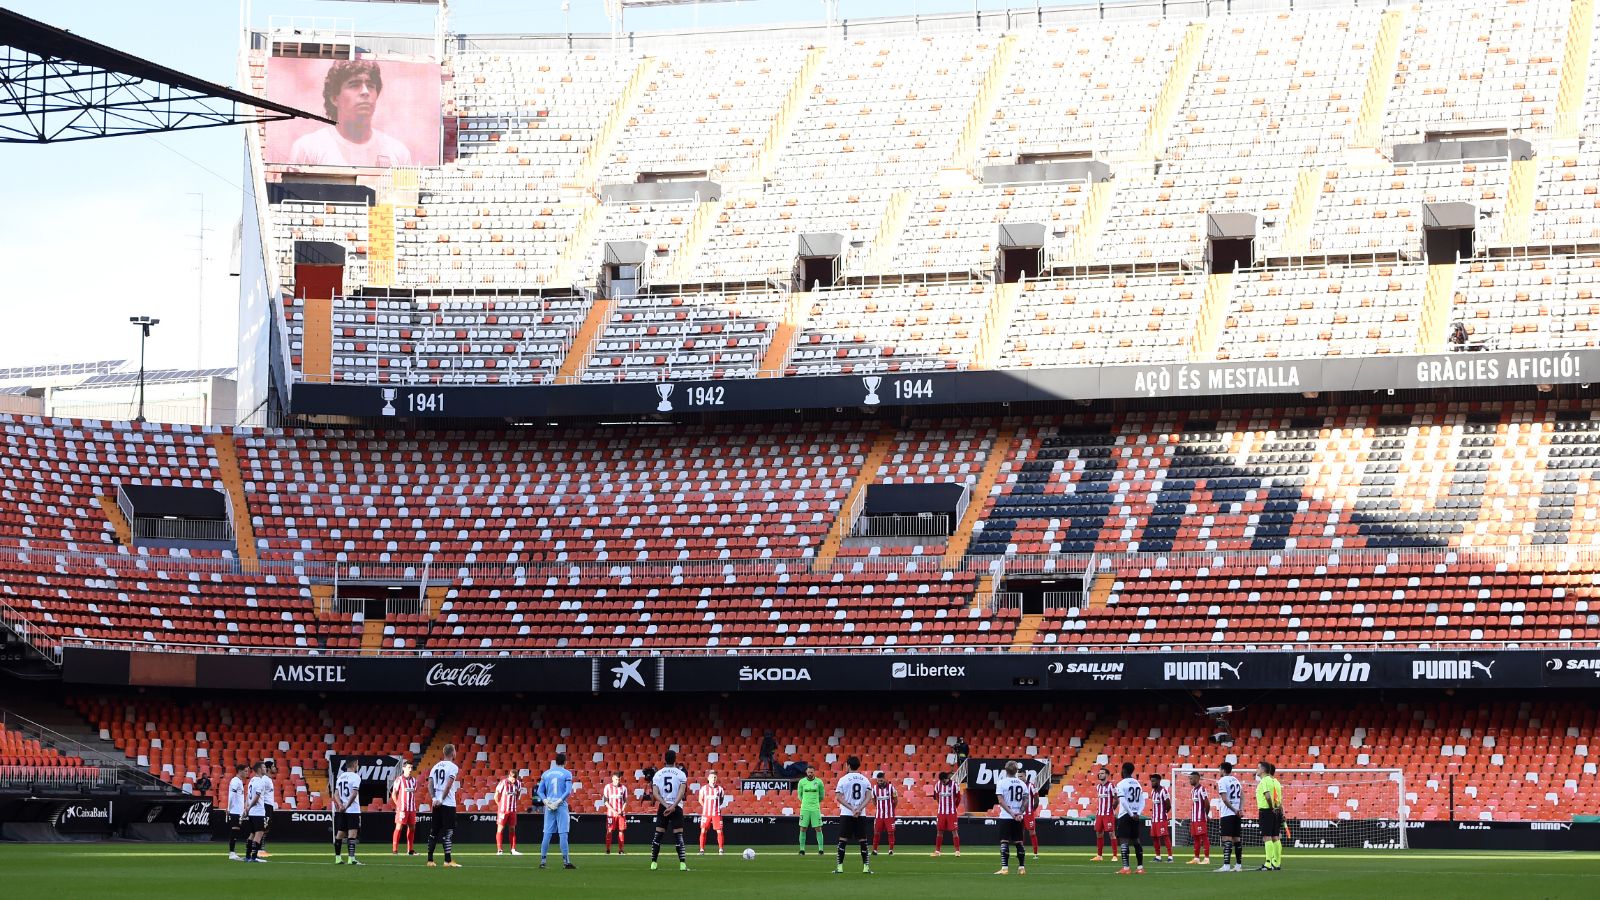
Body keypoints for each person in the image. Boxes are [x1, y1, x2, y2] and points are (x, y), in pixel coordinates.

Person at [289, 59, 413, 168]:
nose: (365, 92)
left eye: (370, 86)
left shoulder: (397, 152)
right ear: (334, 98)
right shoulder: (308, 148)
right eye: (354, 85)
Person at [649, 749, 689, 871]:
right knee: (678, 836)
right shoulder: (681, 774)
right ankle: (682, 864)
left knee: (658, 835)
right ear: (675, 759)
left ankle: (653, 863)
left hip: (663, 807)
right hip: (676, 807)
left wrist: (665, 805)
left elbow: (655, 793)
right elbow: (682, 793)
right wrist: (673, 806)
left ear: (664, 759)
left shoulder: (658, 774)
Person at [834, 756, 874, 875]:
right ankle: (866, 867)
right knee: (863, 840)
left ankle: (840, 867)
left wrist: (852, 808)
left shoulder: (843, 779)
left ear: (848, 765)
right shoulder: (865, 779)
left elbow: (838, 797)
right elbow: (869, 797)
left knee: (843, 840)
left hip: (847, 813)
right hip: (861, 814)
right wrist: (859, 809)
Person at [537, 753, 576, 869]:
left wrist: (546, 802)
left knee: (547, 833)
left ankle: (543, 861)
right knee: (563, 833)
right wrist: (558, 802)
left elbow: (539, 791)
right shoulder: (567, 773)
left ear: (555, 761)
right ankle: (566, 862)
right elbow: (568, 791)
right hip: (561, 805)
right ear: (565, 762)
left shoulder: (546, 773)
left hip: (549, 805)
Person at [992, 761, 1030, 876]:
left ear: (1005, 770)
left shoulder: (1001, 783)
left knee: (1004, 841)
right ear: (1016, 770)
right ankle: (1022, 868)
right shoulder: (1022, 784)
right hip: (1018, 817)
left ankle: (1005, 868)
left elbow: (1001, 801)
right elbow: (1026, 800)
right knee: (1019, 842)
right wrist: (1020, 813)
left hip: (1006, 816)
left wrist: (1012, 813)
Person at [427, 744, 461, 868]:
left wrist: (434, 798)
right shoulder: (453, 767)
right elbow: (448, 785)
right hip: (448, 803)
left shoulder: (435, 766)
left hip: (435, 804)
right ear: (452, 753)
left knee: (433, 832)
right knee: (448, 833)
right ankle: (447, 861)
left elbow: (429, 784)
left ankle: (430, 860)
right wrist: (441, 799)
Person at [1115, 761, 1147, 875]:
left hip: (1125, 815)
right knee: (1136, 841)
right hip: (1136, 815)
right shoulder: (1137, 783)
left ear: (1123, 770)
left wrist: (1130, 813)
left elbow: (1123, 801)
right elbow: (1143, 801)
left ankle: (1126, 868)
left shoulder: (1121, 784)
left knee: (1124, 841)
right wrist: (1137, 813)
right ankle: (1140, 868)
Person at [333, 758, 364, 865]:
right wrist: (346, 806)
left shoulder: (340, 776)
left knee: (340, 833)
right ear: (355, 764)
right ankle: (351, 859)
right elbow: (354, 793)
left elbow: (335, 794)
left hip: (342, 810)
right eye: (357, 763)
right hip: (352, 810)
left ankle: (338, 858)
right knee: (352, 833)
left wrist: (341, 805)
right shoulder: (356, 777)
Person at [1216, 761, 1244, 872]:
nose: (1219, 771)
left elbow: (1224, 799)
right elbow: (1242, 796)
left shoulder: (1222, 780)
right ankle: (1238, 866)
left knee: (1226, 839)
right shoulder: (1236, 780)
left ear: (1223, 770)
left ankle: (1226, 866)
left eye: (1219, 769)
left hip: (1228, 813)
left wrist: (1233, 809)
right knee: (1237, 839)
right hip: (1237, 814)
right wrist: (1240, 809)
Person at [1256, 761, 1284, 872]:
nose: (1256, 770)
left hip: (1267, 810)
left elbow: (1267, 795)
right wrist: (1280, 810)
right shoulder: (1275, 782)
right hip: (1275, 810)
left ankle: (1268, 863)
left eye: (1258, 768)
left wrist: (1271, 807)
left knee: (1267, 837)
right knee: (1275, 837)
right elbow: (1278, 799)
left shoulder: (1265, 781)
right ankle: (1276, 862)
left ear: (1263, 770)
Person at [242, 762, 270, 863]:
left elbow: (247, 796)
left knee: (252, 834)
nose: (265, 768)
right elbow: (257, 797)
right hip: (258, 811)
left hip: (252, 812)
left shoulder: (251, 780)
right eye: (264, 767)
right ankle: (254, 857)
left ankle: (247, 856)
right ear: (259, 769)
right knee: (259, 833)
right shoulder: (260, 781)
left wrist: (247, 808)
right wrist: (248, 808)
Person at [796, 765, 827, 855]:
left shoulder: (819, 782)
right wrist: (805, 802)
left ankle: (821, 850)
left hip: (815, 808)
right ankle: (802, 849)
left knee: (818, 828)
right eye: (809, 772)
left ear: (814, 772)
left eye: (812, 772)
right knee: (803, 828)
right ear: (806, 772)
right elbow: (799, 795)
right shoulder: (802, 782)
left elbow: (822, 796)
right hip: (805, 808)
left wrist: (815, 803)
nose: (810, 774)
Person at [1091, 766, 1119, 861]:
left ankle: (1115, 855)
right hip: (1100, 814)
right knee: (1098, 833)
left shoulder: (1111, 786)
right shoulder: (1098, 787)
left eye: (1102, 773)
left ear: (1107, 775)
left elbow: (1116, 799)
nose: (1100, 774)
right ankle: (1099, 856)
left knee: (1111, 833)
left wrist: (1112, 810)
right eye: (1099, 773)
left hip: (1108, 814)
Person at [697, 770, 728, 855]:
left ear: (716, 778)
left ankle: (721, 849)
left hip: (716, 813)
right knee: (703, 830)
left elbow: (721, 800)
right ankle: (701, 850)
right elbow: (700, 800)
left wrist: (715, 807)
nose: (713, 779)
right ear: (708, 778)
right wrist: (706, 807)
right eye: (711, 777)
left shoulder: (720, 789)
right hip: (706, 813)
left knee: (719, 831)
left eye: (715, 777)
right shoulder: (703, 789)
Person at [494, 768, 524, 856]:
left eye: (515, 778)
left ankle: (513, 849)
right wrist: (499, 806)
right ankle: (499, 850)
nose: (514, 780)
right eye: (512, 778)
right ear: (509, 776)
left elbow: (518, 794)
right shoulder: (503, 782)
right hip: (503, 810)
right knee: (500, 829)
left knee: (512, 829)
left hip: (512, 810)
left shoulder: (518, 783)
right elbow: (496, 795)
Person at [391, 760, 419, 855]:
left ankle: (410, 850)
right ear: (403, 768)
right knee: (399, 827)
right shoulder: (399, 780)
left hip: (412, 808)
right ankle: (395, 850)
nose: (410, 769)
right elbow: (394, 794)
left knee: (412, 828)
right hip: (402, 808)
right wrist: (398, 806)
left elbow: (412, 794)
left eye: (411, 768)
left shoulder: (414, 781)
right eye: (408, 767)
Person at [931, 770, 961, 857]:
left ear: (947, 778)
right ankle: (937, 851)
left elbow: (958, 798)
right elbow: (937, 798)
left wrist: (954, 807)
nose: (942, 783)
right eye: (941, 781)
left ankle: (957, 851)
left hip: (951, 812)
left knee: (954, 831)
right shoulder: (937, 785)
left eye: (943, 781)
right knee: (939, 831)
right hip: (941, 812)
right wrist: (941, 806)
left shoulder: (954, 785)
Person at [1187, 770, 1212, 865]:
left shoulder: (1202, 789)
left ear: (1197, 778)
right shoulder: (1193, 790)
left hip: (1200, 818)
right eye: (1189, 778)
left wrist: (1205, 815)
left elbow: (1207, 803)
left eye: (1191, 778)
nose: (1190, 780)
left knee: (1204, 837)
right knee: (1196, 838)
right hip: (1194, 819)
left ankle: (1206, 859)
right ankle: (1196, 858)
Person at [870, 770, 897, 856]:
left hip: (889, 815)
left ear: (885, 779)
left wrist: (891, 809)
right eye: (878, 780)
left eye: (881, 780)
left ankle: (891, 850)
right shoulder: (874, 788)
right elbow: (874, 800)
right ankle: (874, 850)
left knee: (890, 832)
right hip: (879, 815)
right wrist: (879, 808)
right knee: (876, 832)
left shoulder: (891, 788)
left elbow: (895, 800)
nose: (879, 782)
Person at [226, 762, 249, 860]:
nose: (247, 773)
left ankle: (233, 852)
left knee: (236, 830)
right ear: (240, 771)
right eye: (245, 771)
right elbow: (232, 795)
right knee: (234, 830)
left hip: (238, 810)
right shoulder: (235, 781)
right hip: (234, 810)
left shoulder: (239, 781)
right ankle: (231, 853)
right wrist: (229, 807)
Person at [603, 771, 628, 855]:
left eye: (619, 779)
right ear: (613, 778)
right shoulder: (607, 787)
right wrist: (613, 811)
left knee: (621, 831)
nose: (618, 781)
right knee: (609, 831)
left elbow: (625, 801)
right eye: (616, 779)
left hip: (621, 813)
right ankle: (608, 849)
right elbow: (605, 802)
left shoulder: (623, 788)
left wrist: (622, 809)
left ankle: (621, 850)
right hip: (611, 814)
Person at [1149, 773, 1172, 862]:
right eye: (1151, 781)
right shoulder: (1153, 792)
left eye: (1154, 781)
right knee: (1155, 837)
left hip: (1161, 818)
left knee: (1165, 836)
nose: (1152, 783)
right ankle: (1158, 856)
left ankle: (1170, 857)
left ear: (1158, 781)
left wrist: (1163, 813)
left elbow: (1168, 805)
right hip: (1154, 819)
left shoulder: (1164, 791)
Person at [258, 760, 278, 858]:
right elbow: (260, 793)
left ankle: (260, 849)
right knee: (263, 828)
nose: (275, 768)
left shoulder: (269, 779)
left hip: (269, 806)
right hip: (265, 805)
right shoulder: (265, 779)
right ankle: (259, 849)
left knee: (266, 828)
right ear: (269, 768)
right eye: (273, 766)